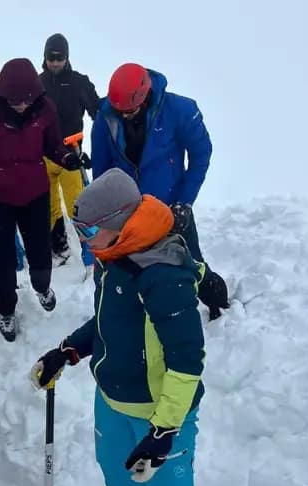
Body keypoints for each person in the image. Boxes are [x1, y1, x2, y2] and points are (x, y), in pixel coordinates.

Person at [29, 169, 251, 486]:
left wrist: (163, 432)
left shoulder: (163, 274)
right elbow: (110, 323)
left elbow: (187, 362)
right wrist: (68, 351)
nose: (82, 240)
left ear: (121, 224)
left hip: (161, 418)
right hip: (112, 402)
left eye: (88, 230)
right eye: (78, 230)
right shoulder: (111, 258)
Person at [0, 57, 86, 342]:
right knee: (3, 261)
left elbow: (53, 145)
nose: (21, 105)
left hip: (35, 195)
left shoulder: (45, 110)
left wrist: (67, 158)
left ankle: (42, 287)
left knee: (40, 252)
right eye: (15, 100)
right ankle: (6, 309)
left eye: (26, 100)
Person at [91, 63, 230, 319]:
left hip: (170, 207)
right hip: (129, 213)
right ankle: (136, 318)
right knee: (129, 269)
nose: (123, 115)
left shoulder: (179, 110)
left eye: (129, 111)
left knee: (191, 264)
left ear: (144, 96)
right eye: (119, 111)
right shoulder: (105, 117)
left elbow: (201, 154)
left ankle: (219, 303)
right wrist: (106, 214)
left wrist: (184, 202)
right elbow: (101, 169)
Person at [38, 33, 100, 265]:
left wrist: (98, 152)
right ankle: (59, 247)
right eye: (51, 58)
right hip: (44, 156)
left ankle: (91, 253)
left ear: (67, 58)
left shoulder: (79, 83)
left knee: (79, 206)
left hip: (72, 155)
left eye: (59, 58)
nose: (55, 62)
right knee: (51, 206)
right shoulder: (38, 84)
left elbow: (98, 114)